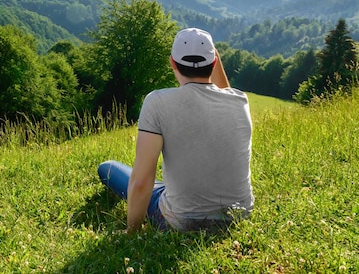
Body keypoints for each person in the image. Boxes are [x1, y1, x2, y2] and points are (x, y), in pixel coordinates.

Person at [98, 27, 254, 232]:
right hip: (238, 217)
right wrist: (213, 56)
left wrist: (132, 232)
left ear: (172, 62)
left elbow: (142, 180)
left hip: (181, 221)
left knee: (108, 168)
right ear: (214, 62)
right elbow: (223, 92)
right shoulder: (239, 100)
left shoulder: (157, 102)